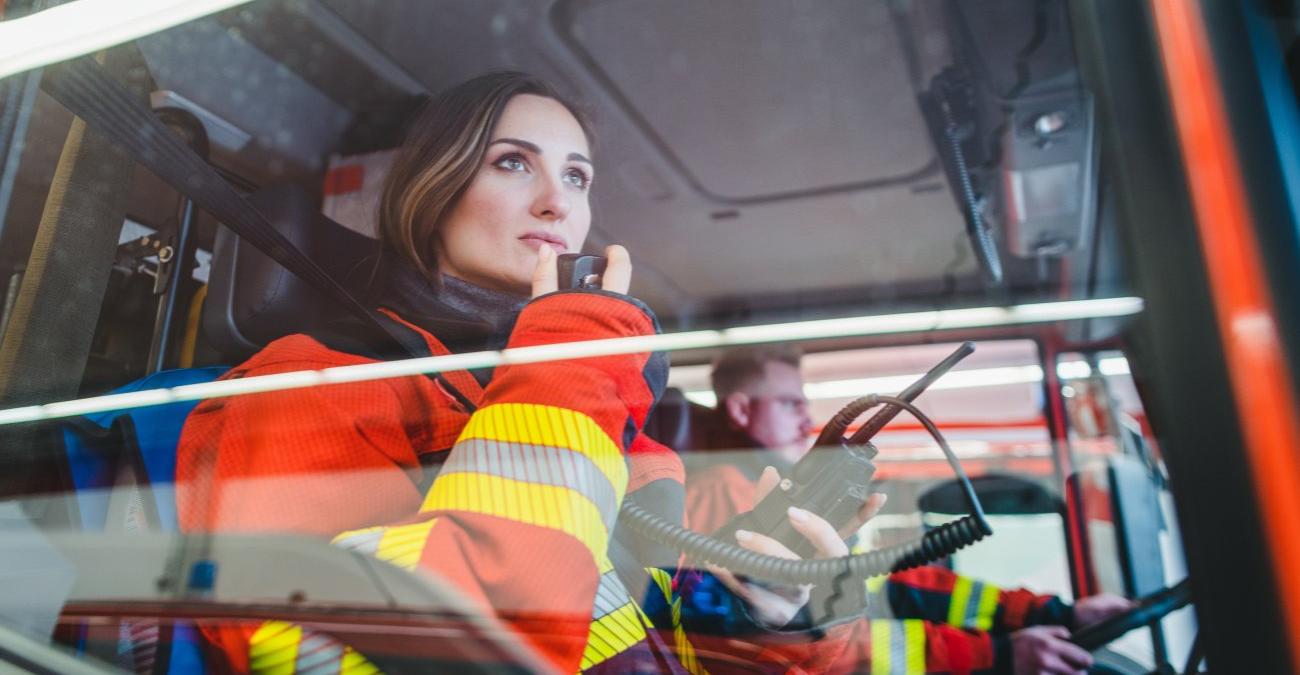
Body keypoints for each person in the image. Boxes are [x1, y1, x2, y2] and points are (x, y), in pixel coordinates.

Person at [175, 72, 877, 674]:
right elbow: (459, 645)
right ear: (435, 186)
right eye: (513, 163)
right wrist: (567, 358)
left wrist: (783, 623)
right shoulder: (304, 389)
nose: (558, 202)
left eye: (577, 176)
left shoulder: (619, 435)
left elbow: (651, 646)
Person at [682, 345, 1136, 675]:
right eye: (789, 404)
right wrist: (994, 656)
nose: (806, 419)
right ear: (741, 410)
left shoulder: (792, 494)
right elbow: (808, 638)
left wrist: (1049, 614)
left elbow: (882, 586)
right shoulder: (725, 494)